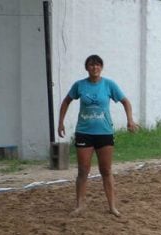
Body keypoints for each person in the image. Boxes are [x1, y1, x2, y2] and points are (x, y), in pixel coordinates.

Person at [57, 54, 139, 217]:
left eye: (97, 65)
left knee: (106, 170)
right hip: (84, 133)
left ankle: (112, 206)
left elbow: (125, 101)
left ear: (101, 67)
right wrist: (61, 122)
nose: (94, 67)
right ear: (86, 68)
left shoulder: (109, 85)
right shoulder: (79, 86)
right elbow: (66, 101)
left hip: (104, 133)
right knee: (83, 170)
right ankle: (80, 205)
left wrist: (130, 120)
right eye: (91, 65)